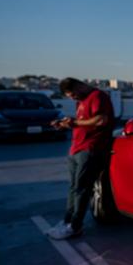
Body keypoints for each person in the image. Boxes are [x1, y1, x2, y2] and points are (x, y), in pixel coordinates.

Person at [47, 77, 115, 239]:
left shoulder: (98, 96)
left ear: (79, 86)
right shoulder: (81, 100)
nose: (73, 98)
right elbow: (83, 121)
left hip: (90, 148)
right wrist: (64, 124)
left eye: (73, 95)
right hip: (76, 147)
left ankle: (75, 226)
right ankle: (67, 221)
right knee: (73, 188)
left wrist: (74, 123)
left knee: (81, 188)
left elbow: (100, 120)